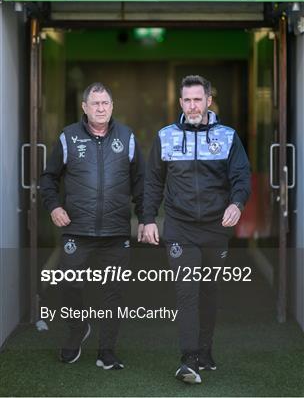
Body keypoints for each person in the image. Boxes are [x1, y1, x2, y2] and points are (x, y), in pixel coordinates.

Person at [142, 75, 251, 384]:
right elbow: (152, 181)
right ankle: (188, 359)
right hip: (180, 228)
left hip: (216, 229)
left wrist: (237, 204)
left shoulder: (228, 137)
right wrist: (149, 219)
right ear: (180, 103)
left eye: (197, 99)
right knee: (187, 292)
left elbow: (241, 176)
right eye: (187, 100)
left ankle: (205, 350)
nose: (192, 105)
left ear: (208, 101)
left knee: (209, 291)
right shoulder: (165, 137)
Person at [40, 82, 145, 368]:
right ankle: (77, 329)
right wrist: (54, 206)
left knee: (114, 292)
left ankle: (106, 351)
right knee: (69, 284)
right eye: (95, 104)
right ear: (84, 107)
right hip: (77, 230)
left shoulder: (127, 137)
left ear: (112, 106)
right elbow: (48, 179)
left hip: (116, 231)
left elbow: (140, 183)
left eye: (106, 103)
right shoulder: (68, 137)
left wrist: (146, 219)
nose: (101, 108)